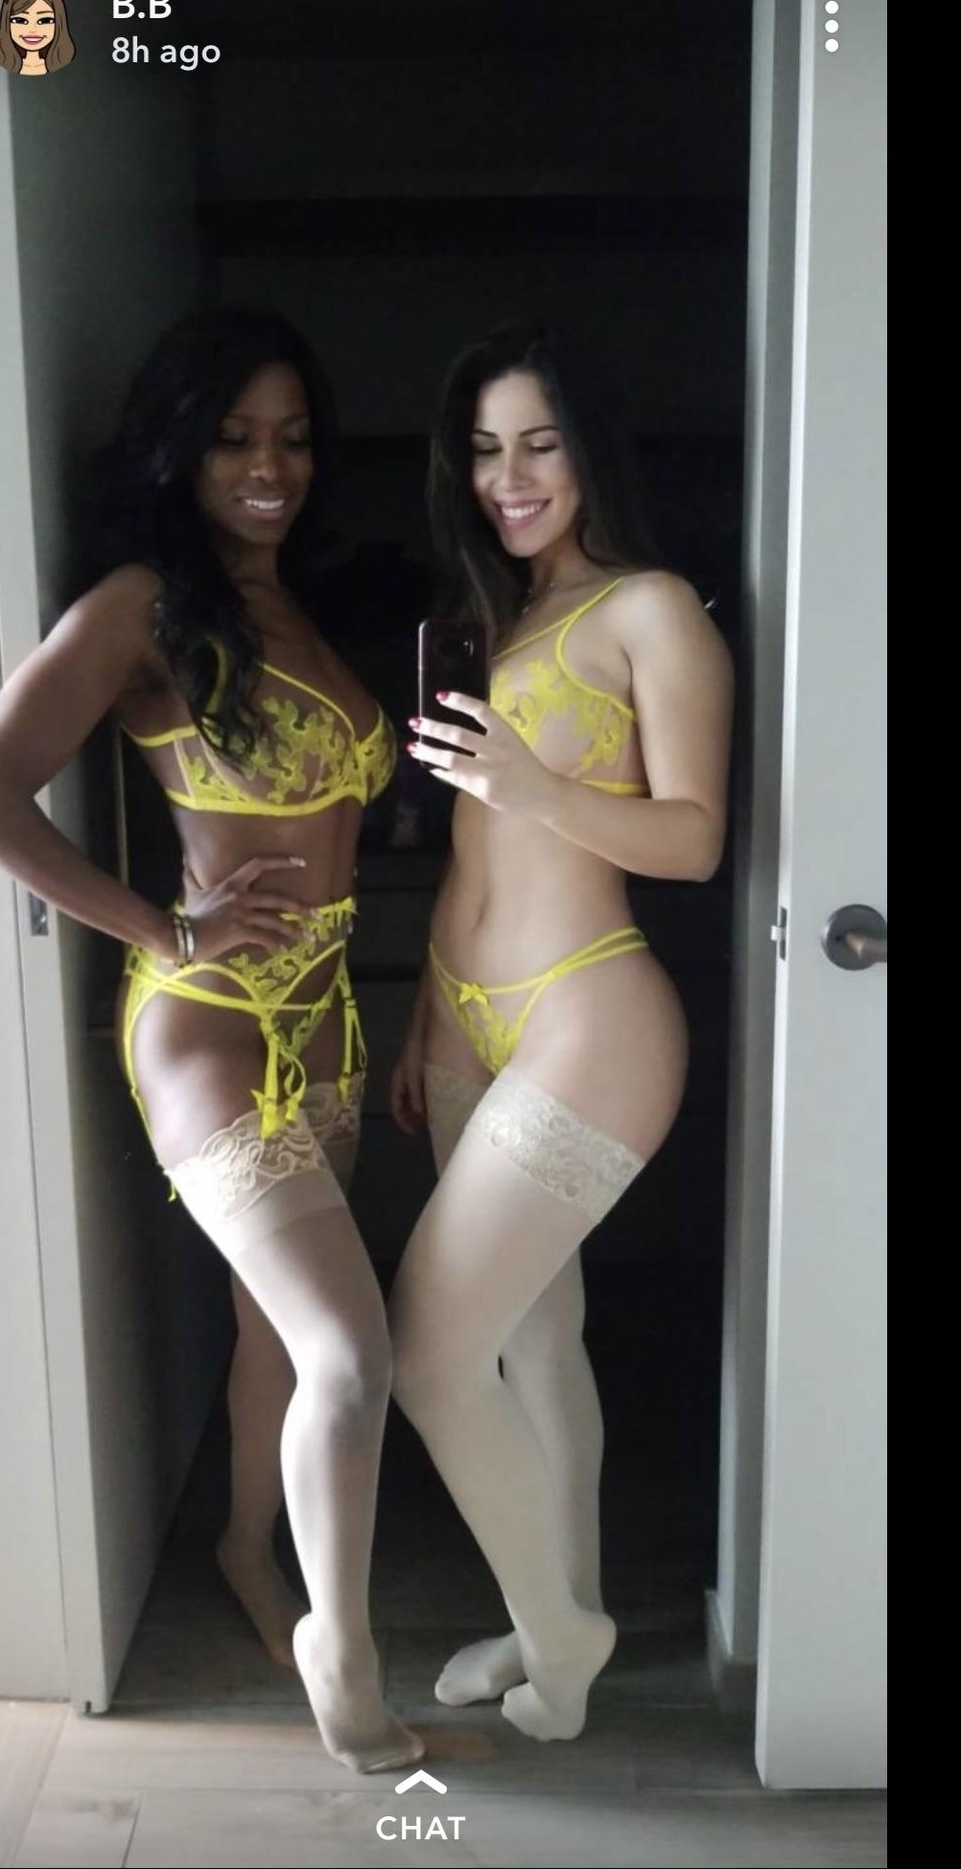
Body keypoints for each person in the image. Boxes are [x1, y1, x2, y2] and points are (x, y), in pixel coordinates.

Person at [0, 308, 423, 1775]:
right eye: (233, 438)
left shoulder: (297, 608)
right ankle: (346, 1663)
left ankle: (243, 1547)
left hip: (329, 1018)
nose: (268, 466)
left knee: (275, 1331)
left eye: (291, 437)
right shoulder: (142, 606)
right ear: (180, 449)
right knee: (352, 1349)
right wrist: (162, 929)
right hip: (209, 1028)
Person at [389, 321, 733, 1742]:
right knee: (537, 1337)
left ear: (588, 449)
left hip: (591, 1007)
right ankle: (558, 1625)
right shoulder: (494, 614)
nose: (509, 477)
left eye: (538, 444)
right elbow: (472, 849)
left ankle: (559, 1630)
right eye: (484, 451)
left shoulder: (651, 610)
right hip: (461, 1016)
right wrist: (424, 1014)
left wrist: (534, 786)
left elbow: (695, 839)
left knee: (428, 1352)